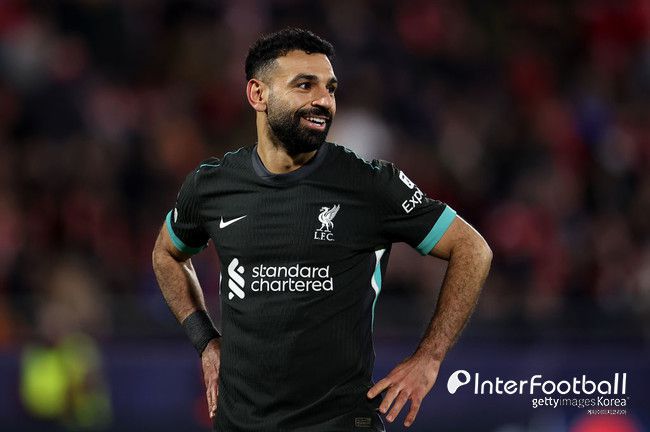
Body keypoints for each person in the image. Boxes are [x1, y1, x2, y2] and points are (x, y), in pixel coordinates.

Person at [152, 28, 492, 431]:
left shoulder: (368, 183)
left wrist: (429, 357)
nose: (323, 100)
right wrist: (206, 341)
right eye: (304, 85)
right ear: (258, 94)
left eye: (330, 88)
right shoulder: (212, 185)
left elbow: (473, 249)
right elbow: (167, 254)